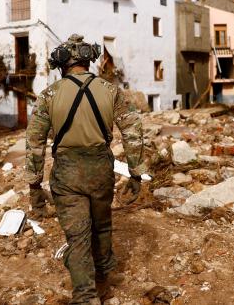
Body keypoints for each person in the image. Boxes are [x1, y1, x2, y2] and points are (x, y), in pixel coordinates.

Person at [25, 34, 145, 305]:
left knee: (78, 236)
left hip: (67, 173)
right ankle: (102, 279)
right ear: (89, 60)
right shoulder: (111, 90)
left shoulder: (48, 95)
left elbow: (34, 143)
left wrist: (34, 184)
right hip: (101, 169)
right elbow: (133, 130)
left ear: (61, 64)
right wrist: (136, 173)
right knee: (101, 226)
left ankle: (85, 296)